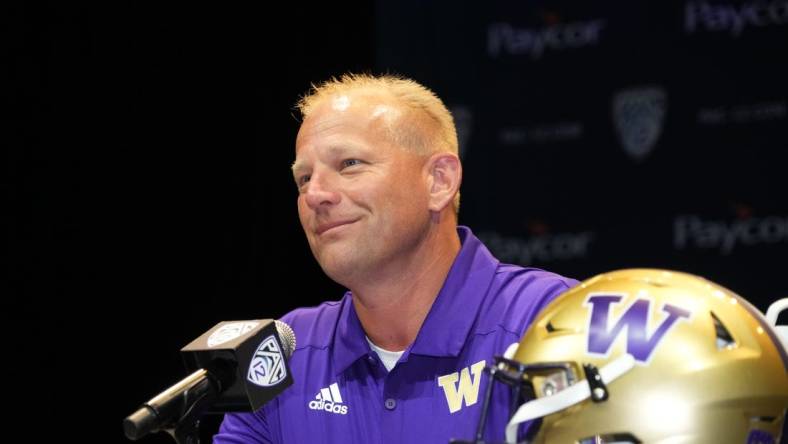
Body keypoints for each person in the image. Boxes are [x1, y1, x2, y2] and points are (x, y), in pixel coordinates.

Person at [214, 73, 578, 443]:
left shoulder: (556, 322)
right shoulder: (285, 355)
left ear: (439, 181)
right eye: (304, 178)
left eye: (349, 163)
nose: (315, 195)